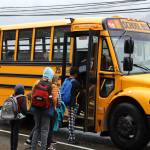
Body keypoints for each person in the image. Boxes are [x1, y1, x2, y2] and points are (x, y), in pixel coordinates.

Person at [31, 67, 54, 150]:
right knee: (44, 130)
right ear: (51, 76)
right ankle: (43, 148)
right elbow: (53, 99)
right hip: (46, 110)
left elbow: (31, 95)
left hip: (36, 109)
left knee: (37, 128)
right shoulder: (50, 86)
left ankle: (33, 148)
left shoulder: (37, 84)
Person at [10, 84, 27, 150]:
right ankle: (14, 148)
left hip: (11, 117)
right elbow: (24, 110)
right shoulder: (22, 97)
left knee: (12, 133)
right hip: (18, 118)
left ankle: (12, 148)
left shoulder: (12, 96)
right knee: (15, 134)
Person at [67, 66, 80, 144]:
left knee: (70, 120)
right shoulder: (75, 82)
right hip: (73, 103)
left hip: (69, 103)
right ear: (75, 74)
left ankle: (70, 137)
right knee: (72, 121)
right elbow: (81, 90)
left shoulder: (67, 80)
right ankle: (72, 138)